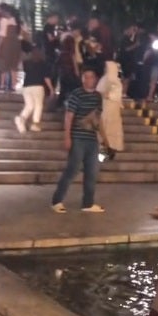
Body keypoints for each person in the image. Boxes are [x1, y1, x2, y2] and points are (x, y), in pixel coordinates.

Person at [51, 67, 110, 214]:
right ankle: (57, 200)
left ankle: (88, 203)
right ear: (82, 79)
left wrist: (104, 138)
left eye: (91, 77)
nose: (88, 80)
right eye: (85, 77)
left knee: (92, 172)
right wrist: (67, 136)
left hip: (92, 139)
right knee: (72, 169)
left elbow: (98, 118)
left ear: (95, 79)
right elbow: (69, 116)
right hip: (78, 138)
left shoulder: (98, 97)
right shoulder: (76, 94)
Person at [14, 47, 54, 133]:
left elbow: (20, 68)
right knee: (38, 105)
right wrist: (51, 89)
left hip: (27, 87)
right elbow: (46, 78)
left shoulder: (27, 63)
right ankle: (35, 124)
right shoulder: (43, 64)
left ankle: (21, 118)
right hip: (38, 86)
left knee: (29, 105)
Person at [96, 60, 124, 158]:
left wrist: (107, 94)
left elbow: (116, 95)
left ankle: (110, 150)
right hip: (104, 107)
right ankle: (102, 149)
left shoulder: (115, 82)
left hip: (112, 108)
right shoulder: (104, 79)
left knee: (111, 129)